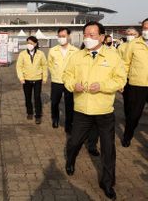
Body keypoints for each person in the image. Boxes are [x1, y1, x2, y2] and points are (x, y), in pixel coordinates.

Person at [62, 21, 126, 200]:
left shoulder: (113, 56)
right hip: (82, 109)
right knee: (74, 142)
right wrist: (73, 85)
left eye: (92, 35)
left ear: (102, 37)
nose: (88, 38)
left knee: (108, 148)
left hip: (104, 110)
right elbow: (67, 75)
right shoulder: (77, 56)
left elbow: (121, 80)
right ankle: (70, 160)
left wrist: (103, 86)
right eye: (86, 35)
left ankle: (107, 183)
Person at [122, 18, 148, 148]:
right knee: (134, 115)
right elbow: (126, 63)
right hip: (137, 84)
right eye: (144, 28)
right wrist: (122, 81)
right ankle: (127, 136)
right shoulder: (134, 44)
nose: (146, 31)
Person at [48, 27, 78, 133]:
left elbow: (77, 66)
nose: (61, 38)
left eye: (63, 36)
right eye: (59, 36)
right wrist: (55, 73)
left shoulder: (75, 51)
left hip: (69, 82)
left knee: (69, 104)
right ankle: (55, 119)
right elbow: (50, 64)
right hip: (57, 81)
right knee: (54, 102)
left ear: (68, 36)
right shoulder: (53, 50)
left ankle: (69, 124)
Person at [16, 36, 47, 125]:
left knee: (37, 97)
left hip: (37, 79)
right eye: (28, 43)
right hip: (26, 80)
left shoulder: (40, 54)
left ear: (35, 44)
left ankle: (38, 115)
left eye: (31, 43)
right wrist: (21, 78)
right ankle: (29, 112)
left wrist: (44, 77)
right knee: (28, 98)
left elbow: (44, 66)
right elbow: (19, 66)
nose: (29, 45)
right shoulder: (22, 54)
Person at [117, 28, 139, 120]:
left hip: (140, 78)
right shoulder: (121, 47)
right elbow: (118, 62)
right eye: (128, 34)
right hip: (126, 77)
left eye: (132, 34)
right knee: (127, 100)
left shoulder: (141, 45)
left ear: (137, 34)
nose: (130, 36)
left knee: (138, 101)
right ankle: (128, 118)